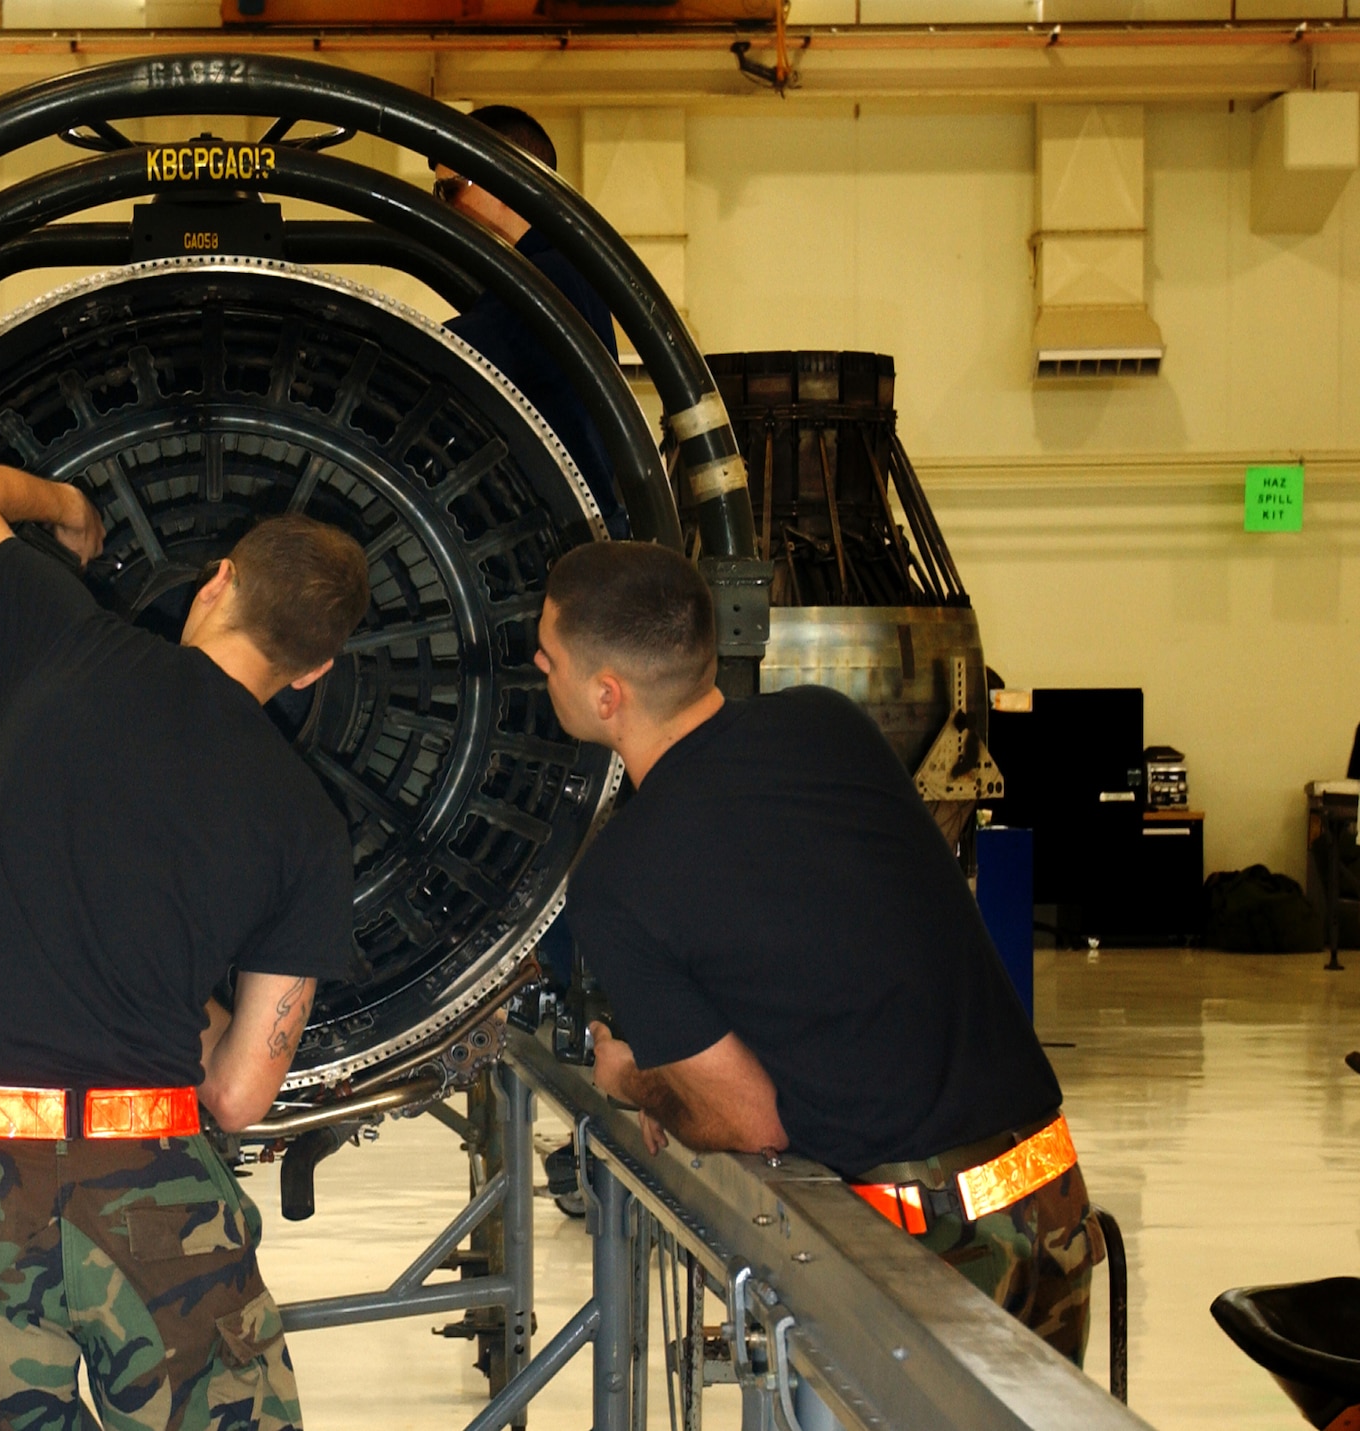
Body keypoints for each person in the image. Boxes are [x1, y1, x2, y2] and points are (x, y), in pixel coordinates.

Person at [0, 456, 370, 1431]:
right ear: (314, 669)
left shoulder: (68, 643)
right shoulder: (307, 825)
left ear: (217, 578)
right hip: (148, 1174)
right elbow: (237, 1094)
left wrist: (67, 512)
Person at [536, 540, 1102, 1364]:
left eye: (548, 657)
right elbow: (819, 929)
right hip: (1051, 1194)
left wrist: (634, 1079)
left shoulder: (619, 880)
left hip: (932, 1249)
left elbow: (747, 1117)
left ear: (606, 693)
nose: (538, 667)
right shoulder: (826, 721)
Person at [433, 105, 630, 538]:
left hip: (562, 543)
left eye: (450, 190)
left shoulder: (545, 281)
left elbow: (448, 358)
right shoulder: (552, 269)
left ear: (503, 179)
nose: (444, 207)